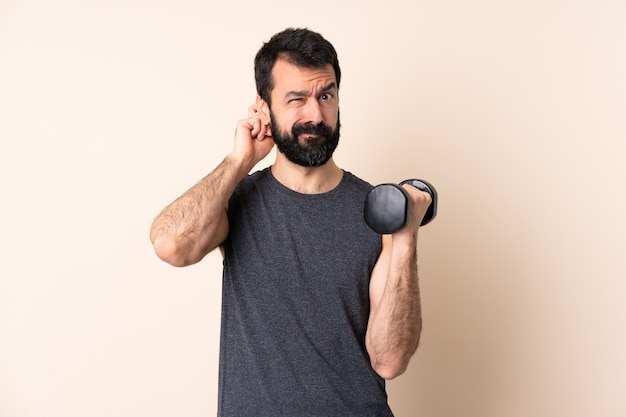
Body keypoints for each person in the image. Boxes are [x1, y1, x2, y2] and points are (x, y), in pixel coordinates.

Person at [150, 27, 432, 417]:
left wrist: (405, 237)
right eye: (296, 99)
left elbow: (390, 360)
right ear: (263, 108)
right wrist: (240, 160)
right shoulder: (236, 200)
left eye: (326, 96)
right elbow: (171, 244)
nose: (315, 116)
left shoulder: (378, 213)